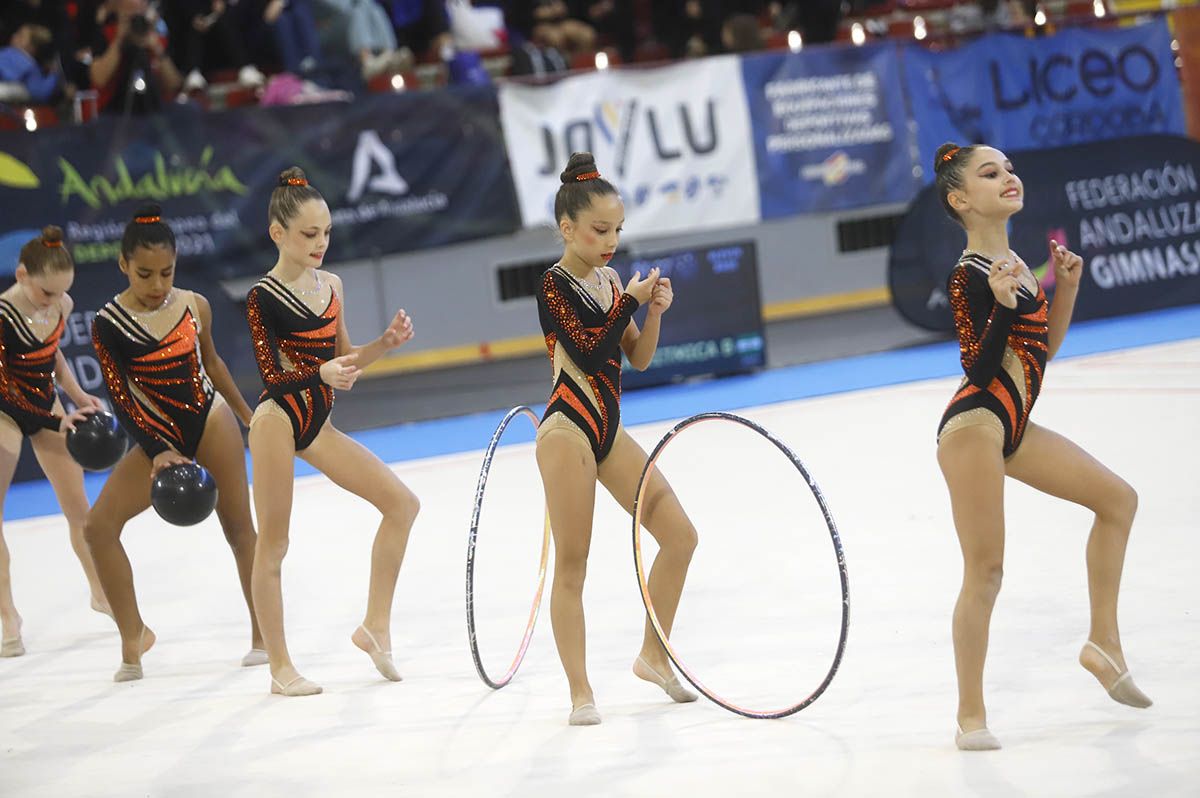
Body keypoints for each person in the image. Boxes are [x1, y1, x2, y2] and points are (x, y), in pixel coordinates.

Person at [932, 142, 1151, 751]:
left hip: (1013, 427)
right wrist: (1000, 307)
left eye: (1008, 168)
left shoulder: (1020, 266)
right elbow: (978, 370)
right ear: (960, 199)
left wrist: (1068, 287)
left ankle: (1102, 643)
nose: (1008, 176)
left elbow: (1043, 351)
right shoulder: (969, 274)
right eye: (989, 172)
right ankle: (969, 717)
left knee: (1118, 500)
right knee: (987, 570)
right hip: (974, 426)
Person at [535, 152, 699, 725]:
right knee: (574, 566)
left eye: (617, 230)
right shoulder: (554, 284)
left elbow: (638, 357)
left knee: (680, 536)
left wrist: (652, 312)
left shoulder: (607, 279)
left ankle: (654, 655)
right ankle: (581, 691)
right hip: (567, 430)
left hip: (609, 430)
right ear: (567, 228)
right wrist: (629, 300)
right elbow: (585, 350)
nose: (611, 242)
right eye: (600, 230)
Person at [245, 167, 419, 697]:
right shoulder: (264, 297)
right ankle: (280, 667)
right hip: (276, 421)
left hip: (317, 423)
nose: (320, 244)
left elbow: (345, 363)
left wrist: (383, 344)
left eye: (326, 233)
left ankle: (375, 627)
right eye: (308, 234)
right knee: (273, 544)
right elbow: (272, 378)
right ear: (278, 233)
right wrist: (318, 374)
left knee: (401, 505)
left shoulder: (333, 286)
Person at [85, 205, 266, 682]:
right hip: (154, 435)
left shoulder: (194, 305)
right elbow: (120, 396)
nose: (157, 284)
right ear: (123, 265)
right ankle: (133, 636)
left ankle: (263, 635)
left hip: (209, 419)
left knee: (240, 529)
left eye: (167, 272)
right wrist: (156, 447)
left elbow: (213, 364)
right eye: (145, 274)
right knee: (97, 528)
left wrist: (248, 414)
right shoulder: (108, 323)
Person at [0, 226, 107, 658]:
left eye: (61, 292)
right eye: (46, 292)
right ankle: (8, 614)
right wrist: (53, 418)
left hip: (46, 404)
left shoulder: (60, 301)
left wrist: (78, 396)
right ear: (22, 275)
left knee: (79, 509)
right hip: (5, 409)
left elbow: (53, 354)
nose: (54, 300)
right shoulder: (3, 315)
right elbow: (5, 386)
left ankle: (101, 593)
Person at [88, 0, 183, 114]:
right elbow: (99, 79)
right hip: (113, 112)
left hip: (153, 110)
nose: (135, 21)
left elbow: (174, 85)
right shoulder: (107, 34)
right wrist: (119, 41)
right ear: (119, 11)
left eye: (139, 13)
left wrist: (156, 48)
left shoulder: (157, 40)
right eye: (130, 14)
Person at [0, 24, 63, 103]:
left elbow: (39, 93)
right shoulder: (7, 52)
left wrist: (53, 74)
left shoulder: (27, 63)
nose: (14, 36)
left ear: (32, 46)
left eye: (21, 36)